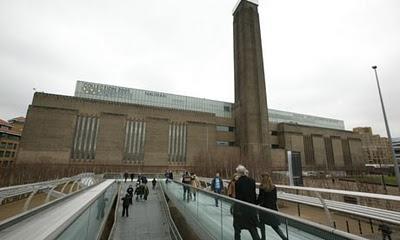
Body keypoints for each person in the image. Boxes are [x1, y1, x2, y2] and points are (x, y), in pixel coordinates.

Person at [257, 173, 288, 240]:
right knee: (275, 226)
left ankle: (263, 238)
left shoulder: (262, 188)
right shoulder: (273, 187)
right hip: (273, 209)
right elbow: (275, 198)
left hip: (264, 209)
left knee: (262, 223)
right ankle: (284, 238)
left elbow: (260, 199)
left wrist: (255, 203)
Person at [233, 165, 260, 240]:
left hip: (241, 209)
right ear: (244, 172)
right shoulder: (252, 181)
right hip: (251, 209)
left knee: (237, 229)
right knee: (253, 228)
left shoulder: (237, 182)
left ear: (238, 173)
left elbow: (238, 197)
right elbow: (253, 195)